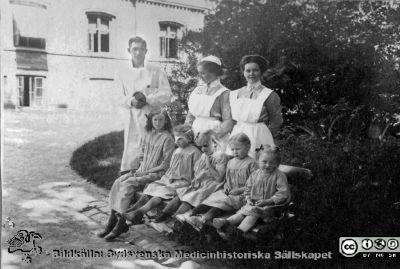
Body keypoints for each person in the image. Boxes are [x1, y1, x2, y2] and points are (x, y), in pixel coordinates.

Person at [98, 110, 175, 241]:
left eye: (161, 120)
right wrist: (141, 161)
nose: (157, 123)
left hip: (156, 174)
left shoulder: (168, 138)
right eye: (155, 120)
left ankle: (121, 224)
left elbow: (165, 165)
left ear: (166, 121)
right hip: (142, 170)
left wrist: (145, 172)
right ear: (151, 121)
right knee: (118, 182)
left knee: (127, 185)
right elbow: (143, 153)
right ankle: (111, 221)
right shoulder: (149, 134)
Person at [121, 125, 202, 224]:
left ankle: (139, 212)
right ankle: (133, 209)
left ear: (189, 138)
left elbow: (198, 173)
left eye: (180, 139)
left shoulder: (195, 152)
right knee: (153, 186)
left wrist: (190, 183)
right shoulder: (177, 151)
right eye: (176, 138)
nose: (177, 141)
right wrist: (166, 178)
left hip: (183, 182)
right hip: (169, 178)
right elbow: (171, 168)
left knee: (161, 192)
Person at [117, 36, 172, 173]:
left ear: (146, 51)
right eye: (134, 49)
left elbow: (167, 95)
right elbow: (117, 96)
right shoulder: (122, 72)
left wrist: (147, 99)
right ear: (128, 50)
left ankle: (151, 173)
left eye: (141, 49)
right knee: (132, 147)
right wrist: (131, 101)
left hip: (152, 115)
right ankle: (130, 173)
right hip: (132, 116)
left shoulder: (156, 70)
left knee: (152, 145)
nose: (138, 53)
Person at [153, 129, 229, 223]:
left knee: (189, 198)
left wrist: (208, 165)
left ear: (215, 143)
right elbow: (198, 172)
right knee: (180, 194)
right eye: (201, 146)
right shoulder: (204, 155)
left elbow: (219, 178)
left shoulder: (220, 156)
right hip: (199, 184)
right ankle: (163, 215)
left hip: (212, 186)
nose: (203, 149)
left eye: (206, 146)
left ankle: (175, 220)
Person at [213, 145, 290, 236]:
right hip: (253, 203)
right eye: (264, 162)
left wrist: (267, 201)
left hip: (270, 207)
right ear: (258, 161)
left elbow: (283, 193)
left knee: (252, 215)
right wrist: (248, 198)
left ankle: (239, 232)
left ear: (277, 164)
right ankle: (226, 223)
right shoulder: (255, 174)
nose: (268, 165)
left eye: (272, 163)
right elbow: (248, 188)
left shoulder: (279, 176)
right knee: (241, 213)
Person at [185, 133, 257, 231]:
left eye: (238, 149)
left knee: (222, 202)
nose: (235, 152)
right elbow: (228, 178)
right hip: (229, 191)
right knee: (214, 197)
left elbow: (254, 184)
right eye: (233, 149)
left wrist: (239, 190)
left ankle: (202, 219)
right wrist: (227, 186)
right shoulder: (231, 162)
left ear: (248, 147)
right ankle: (191, 214)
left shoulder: (251, 163)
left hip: (243, 195)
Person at [227, 55, 283, 159]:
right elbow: (230, 119)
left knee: (256, 165)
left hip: (258, 135)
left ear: (261, 71)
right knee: (236, 165)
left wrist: (265, 134)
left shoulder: (269, 94)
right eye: (248, 71)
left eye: (255, 70)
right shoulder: (234, 94)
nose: (251, 74)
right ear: (243, 72)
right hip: (237, 133)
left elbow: (276, 120)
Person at [185, 55, 234, 151]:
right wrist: (187, 131)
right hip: (194, 135)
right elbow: (190, 115)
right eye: (200, 73)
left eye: (205, 73)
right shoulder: (197, 90)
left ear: (215, 72)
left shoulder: (224, 93)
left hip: (214, 138)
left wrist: (210, 135)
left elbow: (229, 121)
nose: (202, 76)